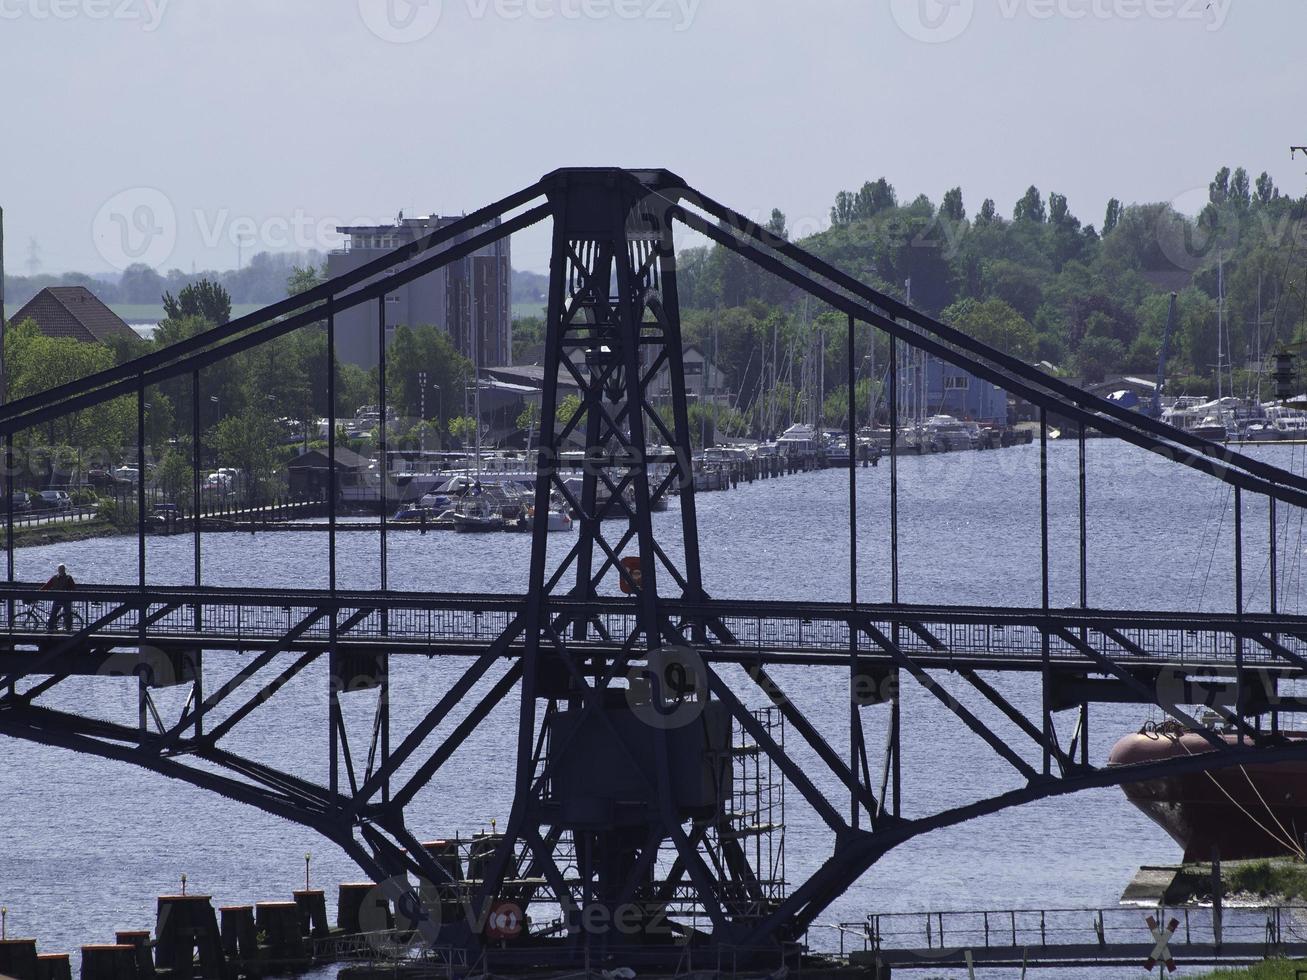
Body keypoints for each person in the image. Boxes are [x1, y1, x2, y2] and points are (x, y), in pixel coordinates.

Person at [41, 563, 75, 631]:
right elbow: (47, 586)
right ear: (58, 570)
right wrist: (39, 592)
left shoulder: (68, 578)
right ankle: (50, 629)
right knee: (54, 614)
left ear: (64, 570)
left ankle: (68, 629)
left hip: (65, 599)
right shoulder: (55, 578)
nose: (61, 570)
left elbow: (73, 588)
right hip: (59, 599)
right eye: (60, 569)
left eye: (62, 569)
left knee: (67, 615)